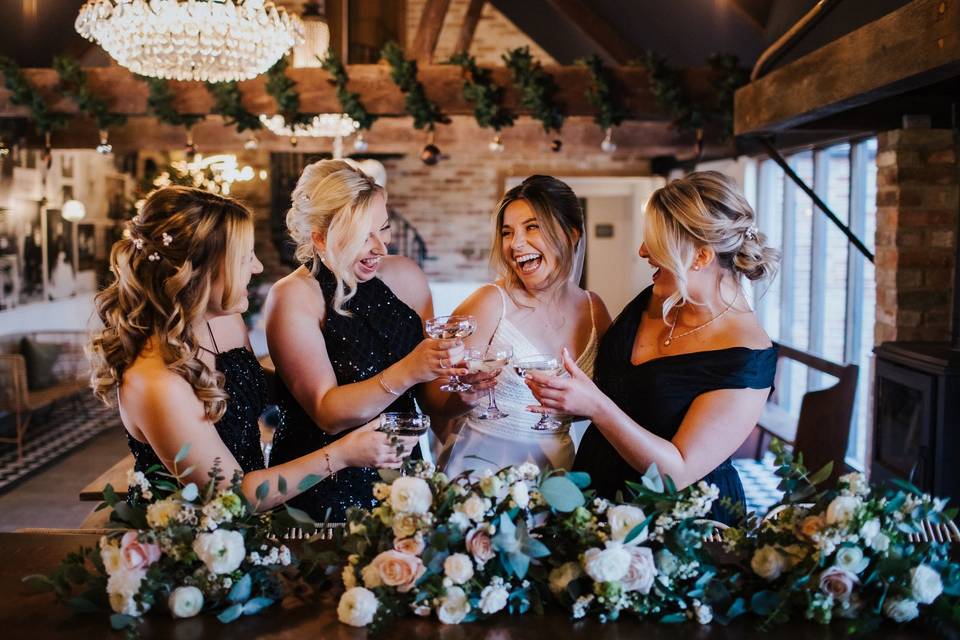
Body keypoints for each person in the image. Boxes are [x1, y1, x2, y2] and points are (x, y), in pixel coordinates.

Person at [88, 186, 411, 512]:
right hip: (188, 540)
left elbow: (245, 385)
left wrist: (338, 380)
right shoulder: (158, 382)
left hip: (249, 524)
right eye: (244, 258)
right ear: (199, 270)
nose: (257, 268)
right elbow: (233, 499)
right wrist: (343, 453)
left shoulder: (225, 321)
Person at [526, 171, 780, 524]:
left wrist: (597, 407)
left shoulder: (746, 356)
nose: (643, 251)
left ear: (701, 257)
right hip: (596, 490)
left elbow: (676, 473)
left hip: (678, 523)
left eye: (656, 244)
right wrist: (565, 396)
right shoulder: (654, 299)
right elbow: (624, 392)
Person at [265, 160, 464, 520]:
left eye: (383, 229)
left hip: (404, 483)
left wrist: (465, 390)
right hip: (325, 490)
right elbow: (327, 412)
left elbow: (430, 399)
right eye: (362, 237)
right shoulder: (294, 297)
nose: (380, 248)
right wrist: (409, 369)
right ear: (320, 237)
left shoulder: (407, 277)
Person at [427, 175, 611, 477]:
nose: (516, 244)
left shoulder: (594, 310)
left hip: (560, 474)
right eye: (507, 232)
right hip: (483, 472)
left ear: (572, 234)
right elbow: (434, 399)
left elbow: (606, 400)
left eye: (532, 227)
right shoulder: (489, 303)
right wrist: (462, 397)